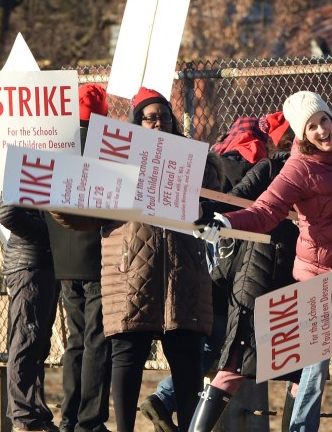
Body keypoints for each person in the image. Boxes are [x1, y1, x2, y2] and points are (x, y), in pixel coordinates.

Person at [197, 91, 332, 431]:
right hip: (321, 276)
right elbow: (264, 211)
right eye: (311, 127)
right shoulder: (298, 168)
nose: (321, 131)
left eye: (323, 120)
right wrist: (226, 223)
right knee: (314, 366)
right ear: (301, 134)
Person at [57, 87, 215, 432]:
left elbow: (216, 197)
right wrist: (60, 199)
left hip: (182, 275)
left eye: (164, 116)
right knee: (126, 358)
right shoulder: (114, 160)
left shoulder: (195, 159)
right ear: (136, 122)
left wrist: (205, 208)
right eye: (150, 117)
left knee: (188, 364)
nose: (158, 122)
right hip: (131, 272)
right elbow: (84, 214)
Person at [139, 116, 269, 432]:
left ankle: (167, 400)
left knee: (211, 344)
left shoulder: (210, 159)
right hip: (229, 275)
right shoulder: (257, 169)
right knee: (220, 344)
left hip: (199, 274)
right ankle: (166, 399)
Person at [187, 111, 300, 431]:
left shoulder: (326, 172)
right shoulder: (271, 168)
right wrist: (205, 215)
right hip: (260, 274)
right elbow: (233, 201)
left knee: (304, 372)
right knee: (235, 365)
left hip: (303, 277)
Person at [46, 83, 111, 432]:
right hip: (98, 256)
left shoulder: (56, 146)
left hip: (64, 259)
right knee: (97, 339)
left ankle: (69, 417)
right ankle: (90, 421)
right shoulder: (106, 147)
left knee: (75, 339)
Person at [0, 202, 58, 432]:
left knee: (38, 344)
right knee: (26, 339)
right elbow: (8, 214)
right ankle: (23, 417)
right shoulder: (24, 168)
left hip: (41, 264)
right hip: (29, 265)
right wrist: (51, 236)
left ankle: (34, 413)